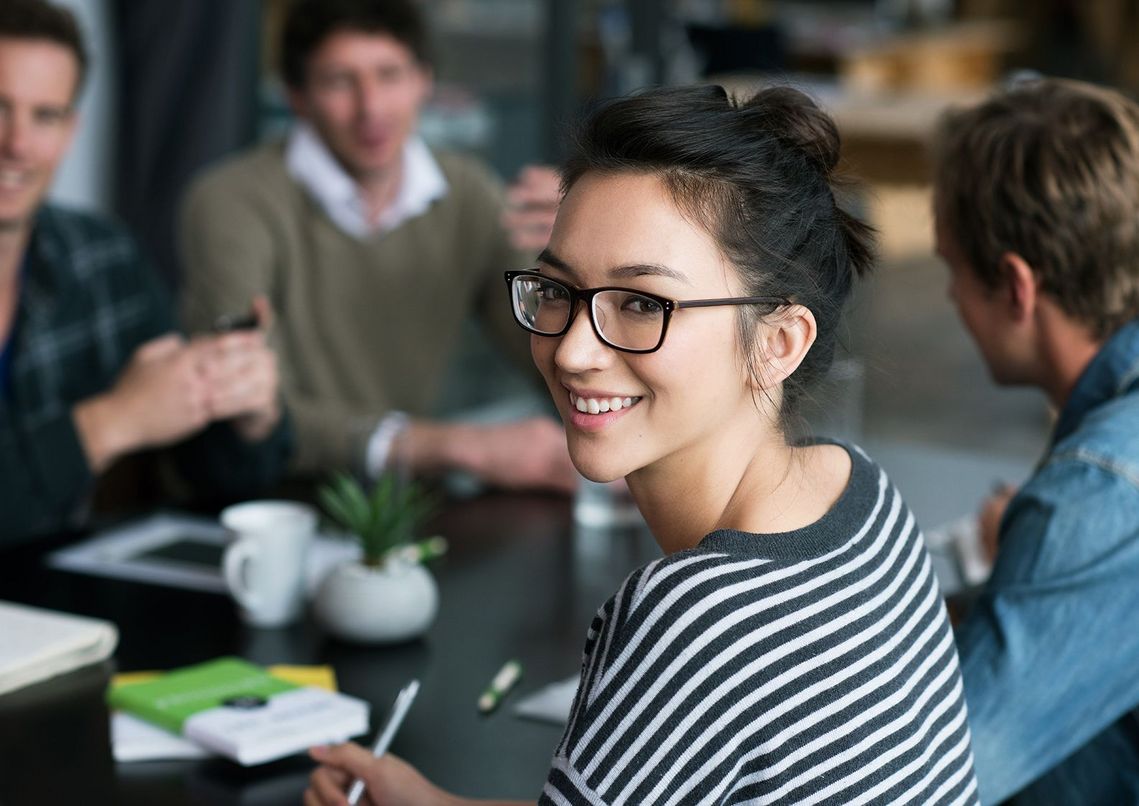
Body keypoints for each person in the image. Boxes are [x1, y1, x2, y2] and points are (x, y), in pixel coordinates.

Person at [305, 85, 979, 805]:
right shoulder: (859, 493)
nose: (571, 352)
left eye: (640, 305)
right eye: (557, 290)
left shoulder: (695, 616)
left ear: (779, 342)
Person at [179, 0, 574, 492]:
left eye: (389, 75)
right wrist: (458, 445)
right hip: (265, 500)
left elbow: (548, 355)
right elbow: (249, 406)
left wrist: (578, 263)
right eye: (339, 82)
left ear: (423, 81)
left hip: (397, 504)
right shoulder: (232, 200)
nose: (371, 108)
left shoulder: (468, 192)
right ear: (297, 96)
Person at [0, 0, 290, 545]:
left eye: (45, 116)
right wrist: (112, 421)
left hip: (62, 614)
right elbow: (132, 416)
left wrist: (246, 413)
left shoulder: (101, 257)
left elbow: (218, 476)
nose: (17, 144)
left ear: (69, 131)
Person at [932, 78, 1139, 804]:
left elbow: (939, 782)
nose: (951, 297)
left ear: (1015, 288)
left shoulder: (1098, 489)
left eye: (950, 269)